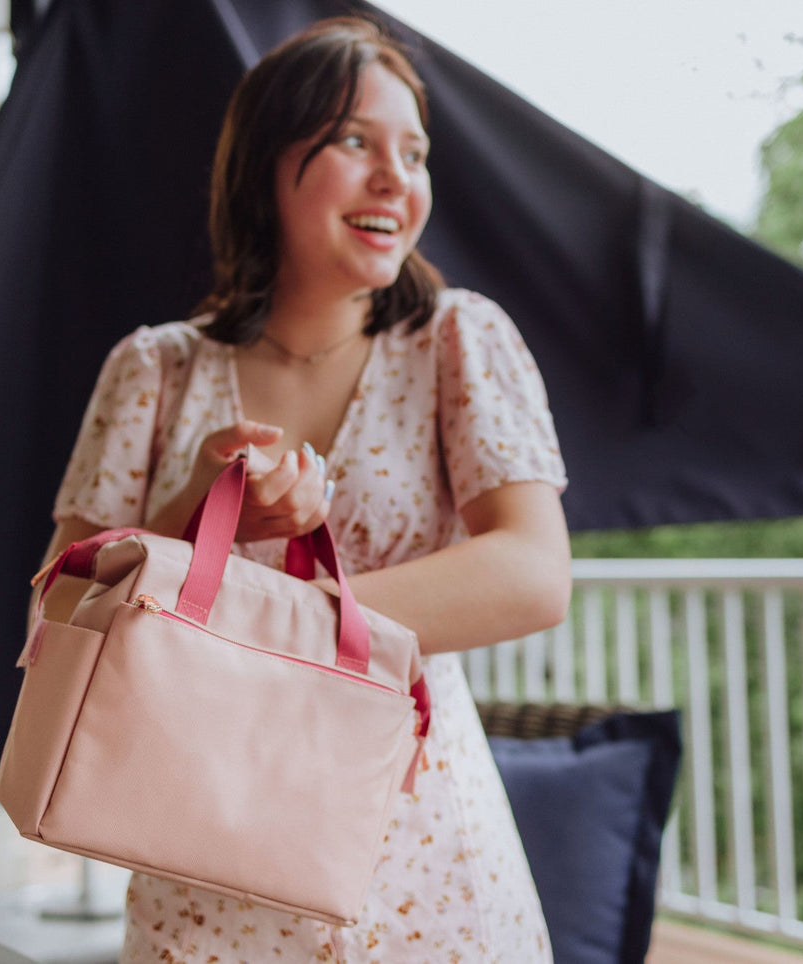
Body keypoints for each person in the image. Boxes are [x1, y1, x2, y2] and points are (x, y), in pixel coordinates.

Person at [40, 16, 570, 963]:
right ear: (263, 166)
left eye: (413, 152)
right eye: (353, 142)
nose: (393, 179)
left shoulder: (458, 341)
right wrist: (194, 512)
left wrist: (259, 625)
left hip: (417, 858)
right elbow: (57, 617)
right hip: (195, 867)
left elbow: (533, 573)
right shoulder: (152, 370)